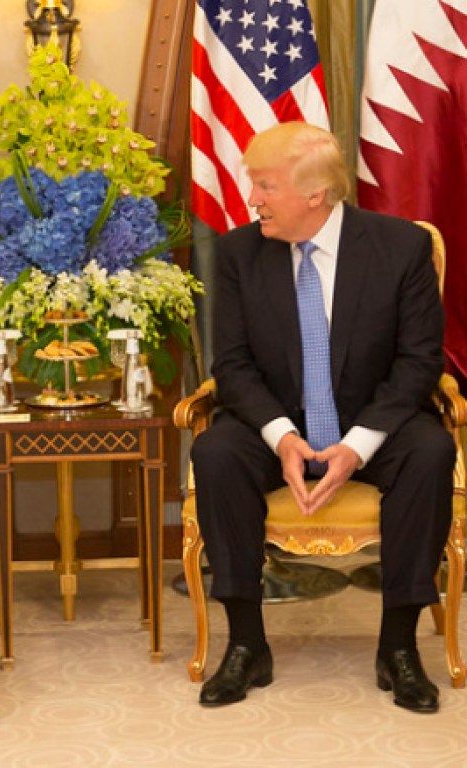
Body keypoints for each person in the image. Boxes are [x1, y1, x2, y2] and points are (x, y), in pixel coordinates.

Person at [190, 122, 454, 714]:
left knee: (431, 452)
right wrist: (282, 437)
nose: (252, 198)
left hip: (373, 420)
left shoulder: (399, 247)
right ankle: (247, 644)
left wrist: (357, 445)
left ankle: (399, 647)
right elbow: (231, 363)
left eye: (265, 185)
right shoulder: (238, 253)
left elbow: (419, 360)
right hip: (275, 421)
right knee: (216, 451)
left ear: (315, 194)